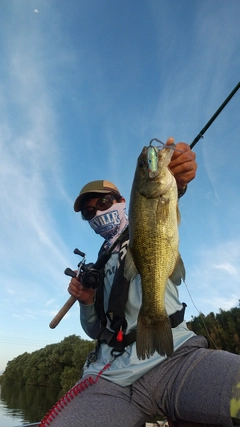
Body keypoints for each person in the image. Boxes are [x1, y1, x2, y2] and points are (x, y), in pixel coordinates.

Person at [40, 138, 240, 427]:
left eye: (104, 202)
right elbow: (96, 329)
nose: (97, 212)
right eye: (88, 212)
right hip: (109, 377)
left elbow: (158, 207)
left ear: (123, 201)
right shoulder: (97, 266)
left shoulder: (138, 224)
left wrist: (178, 181)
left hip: (177, 356)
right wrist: (86, 302)